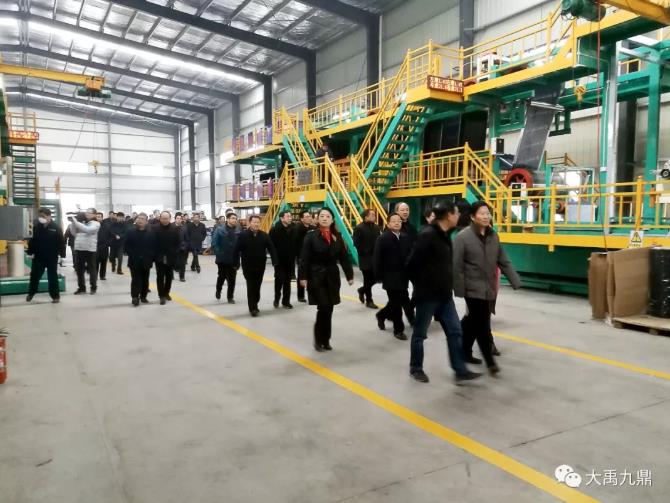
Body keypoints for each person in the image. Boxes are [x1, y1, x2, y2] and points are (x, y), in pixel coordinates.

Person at [406, 202, 481, 384]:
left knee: (455, 331)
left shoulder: (446, 235)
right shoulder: (427, 235)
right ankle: (416, 368)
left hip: (445, 296)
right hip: (427, 297)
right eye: (456, 213)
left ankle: (460, 370)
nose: (459, 216)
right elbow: (411, 265)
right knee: (420, 334)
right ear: (448, 215)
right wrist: (423, 286)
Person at [453, 201, 521, 374]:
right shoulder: (463, 237)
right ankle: (490, 363)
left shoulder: (493, 236)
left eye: (487, 213)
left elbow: (503, 259)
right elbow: (456, 265)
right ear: (472, 216)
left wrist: (514, 279)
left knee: (472, 321)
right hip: (471, 288)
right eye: (481, 213)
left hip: (488, 287)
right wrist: (459, 289)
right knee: (482, 324)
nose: (485, 216)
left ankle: (463, 351)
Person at [299, 207, 354, 352]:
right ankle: (319, 339)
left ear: (332, 220)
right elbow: (304, 258)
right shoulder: (311, 236)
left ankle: (326, 340)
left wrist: (349, 275)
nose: (324, 218)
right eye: (322, 216)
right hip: (316, 276)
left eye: (328, 216)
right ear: (317, 219)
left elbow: (344, 257)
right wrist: (303, 276)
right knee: (323, 306)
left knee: (329, 308)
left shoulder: (337, 236)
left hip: (332, 277)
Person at [373, 213, 411, 340]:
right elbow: (377, 258)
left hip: (403, 276)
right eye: (393, 221)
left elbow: (410, 255)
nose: (397, 223)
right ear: (388, 224)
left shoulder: (405, 237)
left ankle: (381, 315)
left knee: (398, 301)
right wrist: (378, 276)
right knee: (396, 304)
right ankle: (398, 330)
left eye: (399, 221)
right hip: (390, 276)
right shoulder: (382, 238)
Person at [234, 214, 277, 316]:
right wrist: (236, 263)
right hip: (247, 266)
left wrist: (275, 260)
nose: (256, 224)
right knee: (251, 286)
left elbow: (271, 248)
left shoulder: (264, 235)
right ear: (250, 223)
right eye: (254, 222)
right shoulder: (243, 235)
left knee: (257, 286)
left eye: (258, 222)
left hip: (260, 266)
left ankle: (255, 301)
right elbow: (236, 250)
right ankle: (253, 308)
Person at [26, 207, 65, 303]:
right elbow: (32, 241)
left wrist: (62, 255)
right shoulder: (36, 227)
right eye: (40, 216)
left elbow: (61, 242)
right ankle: (31, 293)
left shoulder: (56, 228)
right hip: (39, 256)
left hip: (52, 256)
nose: (41, 218)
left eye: (43, 216)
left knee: (52, 276)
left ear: (49, 216)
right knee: (34, 276)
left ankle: (55, 296)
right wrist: (30, 252)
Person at [124, 213, 156, 306]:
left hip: (146, 260)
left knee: (145, 279)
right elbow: (126, 245)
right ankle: (135, 297)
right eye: (139, 218)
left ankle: (143, 296)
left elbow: (154, 246)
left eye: (142, 219)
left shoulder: (151, 233)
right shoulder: (130, 231)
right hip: (134, 259)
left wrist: (150, 256)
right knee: (135, 279)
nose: (140, 220)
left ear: (146, 221)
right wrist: (131, 253)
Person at [353, 209, 381, 309]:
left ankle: (362, 290)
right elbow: (356, 243)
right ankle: (369, 300)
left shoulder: (376, 227)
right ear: (366, 217)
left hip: (376, 258)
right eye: (372, 215)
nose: (374, 216)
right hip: (365, 258)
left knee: (377, 278)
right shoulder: (359, 228)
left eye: (374, 214)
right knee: (367, 279)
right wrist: (365, 251)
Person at [69, 208, 100, 295]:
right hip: (79, 249)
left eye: (89, 213)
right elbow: (73, 233)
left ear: (94, 214)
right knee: (79, 270)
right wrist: (73, 223)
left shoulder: (96, 223)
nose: (87, 214)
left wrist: (76, 222)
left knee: (91, 269)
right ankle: (81, 288)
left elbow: (88, 230)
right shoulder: (81, 223)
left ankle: (93, 287)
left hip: (90, 249)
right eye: (86, 212)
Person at [395, 202, 416, 325]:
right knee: (402, 294)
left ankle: (384, 314)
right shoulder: (394, 228)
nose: (405, 212)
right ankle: (411, 317)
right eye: (402, 210)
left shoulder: (412, 228)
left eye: (407, 209)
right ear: (397, 212)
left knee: (419, 290)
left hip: (413, 265)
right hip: (399, 267)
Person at [154, 211, 181, 305]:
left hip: (171, 256)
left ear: (170, 219)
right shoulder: (155, 229)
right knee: (160, 277)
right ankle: (161, 295)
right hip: (159, 257)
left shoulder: (175, 229)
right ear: (160, 218)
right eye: (163, 218)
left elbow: (178, 243)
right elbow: (152, 243)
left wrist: (175, 253)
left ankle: (166, 293)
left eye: (166, 218)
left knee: (169, 277)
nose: (164, 220)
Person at [211, 213, 240, 303]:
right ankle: (218, 290)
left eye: (235, 218)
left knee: (232, 279)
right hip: (222, 258)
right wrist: (219, 253)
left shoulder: (238, 230)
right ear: (227, 219)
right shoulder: (220, 230)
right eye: (232, 218)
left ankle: (230, 297)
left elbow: (240, 244)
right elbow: (214, 243)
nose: (234, 220)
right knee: (222, 276)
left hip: (234, 258)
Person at [269, 210, 295, 309]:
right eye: (288, 216)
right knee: (279, 280)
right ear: (281, 218)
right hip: (279, 261)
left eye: (290, 216)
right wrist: (274, 259)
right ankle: (277, 298)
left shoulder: (293, 228)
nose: (290, 218)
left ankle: (286, 301)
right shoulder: (274, 230)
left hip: (290, 260)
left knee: (287, 281)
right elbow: (271, 246)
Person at [293, 211, 313, 302]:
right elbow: (295, 243)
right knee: (302, 275)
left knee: (312, 275)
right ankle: (300, 296)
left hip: (312, 256)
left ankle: (311, 294)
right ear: (302, 219)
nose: (309, 218)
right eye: (307, 217)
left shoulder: (313, 228)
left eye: (310, 216)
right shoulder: (297, 229)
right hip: (301, 256)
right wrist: (299, 255)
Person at [96, 212, 113, 281]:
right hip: (95, 247)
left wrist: (107, 244)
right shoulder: (93, 226)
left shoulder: (106, 226)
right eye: (97, 217)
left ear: (102, 218)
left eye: (99, 217)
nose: (98, 218)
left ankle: (102, 276)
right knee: (95, 263)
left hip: (104, 247)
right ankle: (94, 275)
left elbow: (111, 237)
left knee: (103, 262)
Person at [174, 214, 189, 282]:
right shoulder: (171, 227)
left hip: (182, 249)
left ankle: (182, 277)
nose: (179, 219)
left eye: (180, 218)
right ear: (175, 219)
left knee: (182, 264)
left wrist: (185, 246)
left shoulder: (184, 228)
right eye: (177, 218)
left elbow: (187, 239)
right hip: (173, 249)